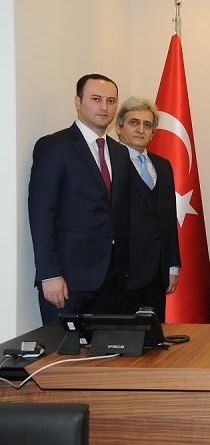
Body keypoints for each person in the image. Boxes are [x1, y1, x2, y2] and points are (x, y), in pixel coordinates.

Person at [28, 74, 131, 323]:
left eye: (111, 101)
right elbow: (42, 214)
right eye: (96, 99)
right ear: (78, 101)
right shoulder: (55, 146)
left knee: (108, 348)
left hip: (113, 280)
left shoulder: (120, 152)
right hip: (67, 281)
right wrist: (49, 274)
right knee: (62, 348)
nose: (104, 107)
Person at [114, 96, 180, 322]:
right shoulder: (110, 164)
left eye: (147, 124)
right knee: (123, 339)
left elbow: (168, 219)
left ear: (153, 133)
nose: (141, 129)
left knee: (154, 337)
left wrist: (172, 266)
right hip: (122, 274)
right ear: (119, 127)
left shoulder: (163, 165)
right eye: (134, 122)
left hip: (157, 275)